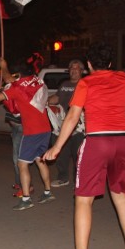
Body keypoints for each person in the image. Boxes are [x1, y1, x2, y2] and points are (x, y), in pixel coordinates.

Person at [43, 42, 125, 249]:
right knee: (121, 195)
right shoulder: (123, 78)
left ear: (89, 65)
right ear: (111, 63)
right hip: (123, 142)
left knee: (83, 199)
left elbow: (73, 115)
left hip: (97, 141)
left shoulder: (86, 82)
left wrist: (57, 146)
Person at [0, 56, 54, 211]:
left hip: (32, 131)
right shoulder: (38, 80)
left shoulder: (16, 87)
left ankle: (26, 199)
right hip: (45, 128)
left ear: (18, 75)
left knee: (22, 164)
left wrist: (3, 69)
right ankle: (48, 192)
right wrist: (7, 74)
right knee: (41, 161)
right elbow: (11, 80)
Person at [48, 59, 85, 187]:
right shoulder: (64, 84)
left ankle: (78, 181)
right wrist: (46, 101)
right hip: (64, 123)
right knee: (61, 152)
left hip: (80, 125)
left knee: (78, 154)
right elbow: (57, 97)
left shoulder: (85, 84)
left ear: (81, 71)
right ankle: (63, 177)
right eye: (71, 68)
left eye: (76, 68)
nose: (74, 71)